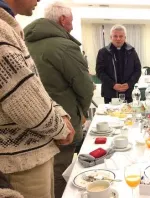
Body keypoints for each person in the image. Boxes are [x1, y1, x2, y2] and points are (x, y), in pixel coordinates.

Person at [0, 0, 75, 198]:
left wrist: (58, 111)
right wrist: (61, 126)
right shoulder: (2, 31)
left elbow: (33, 86)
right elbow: (24, 101)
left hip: (29, 149)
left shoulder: (10, 27)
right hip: (21, 157)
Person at [24, 2, 94, 198]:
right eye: (70, 21)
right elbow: (85, 88)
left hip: (32, 121)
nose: (71, 26)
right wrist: (81, 112)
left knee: (44, 171)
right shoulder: (64, 46)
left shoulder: (24, 41)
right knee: (60, 170)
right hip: (62, 122)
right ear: (63, 20)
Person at [96, 24, 141, 104]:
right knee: (110, 115)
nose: (118, 39)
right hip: (110, 93)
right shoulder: (103, 52)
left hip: (128, 92)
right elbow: (100, 72)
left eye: (121, 36)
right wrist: (113, 84)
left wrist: (129, 84)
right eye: (115, 36)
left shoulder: (131, 52)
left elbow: (137, 70)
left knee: (127, 115)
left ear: (125, 37)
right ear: (111, 37)